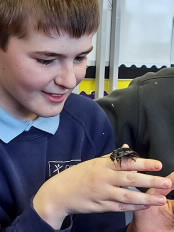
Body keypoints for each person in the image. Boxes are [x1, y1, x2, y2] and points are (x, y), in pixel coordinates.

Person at [0, 1, 172, 231]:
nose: (70, 80)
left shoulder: (90, 121)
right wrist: (53, 203)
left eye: (80, 58)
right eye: (46, 60)